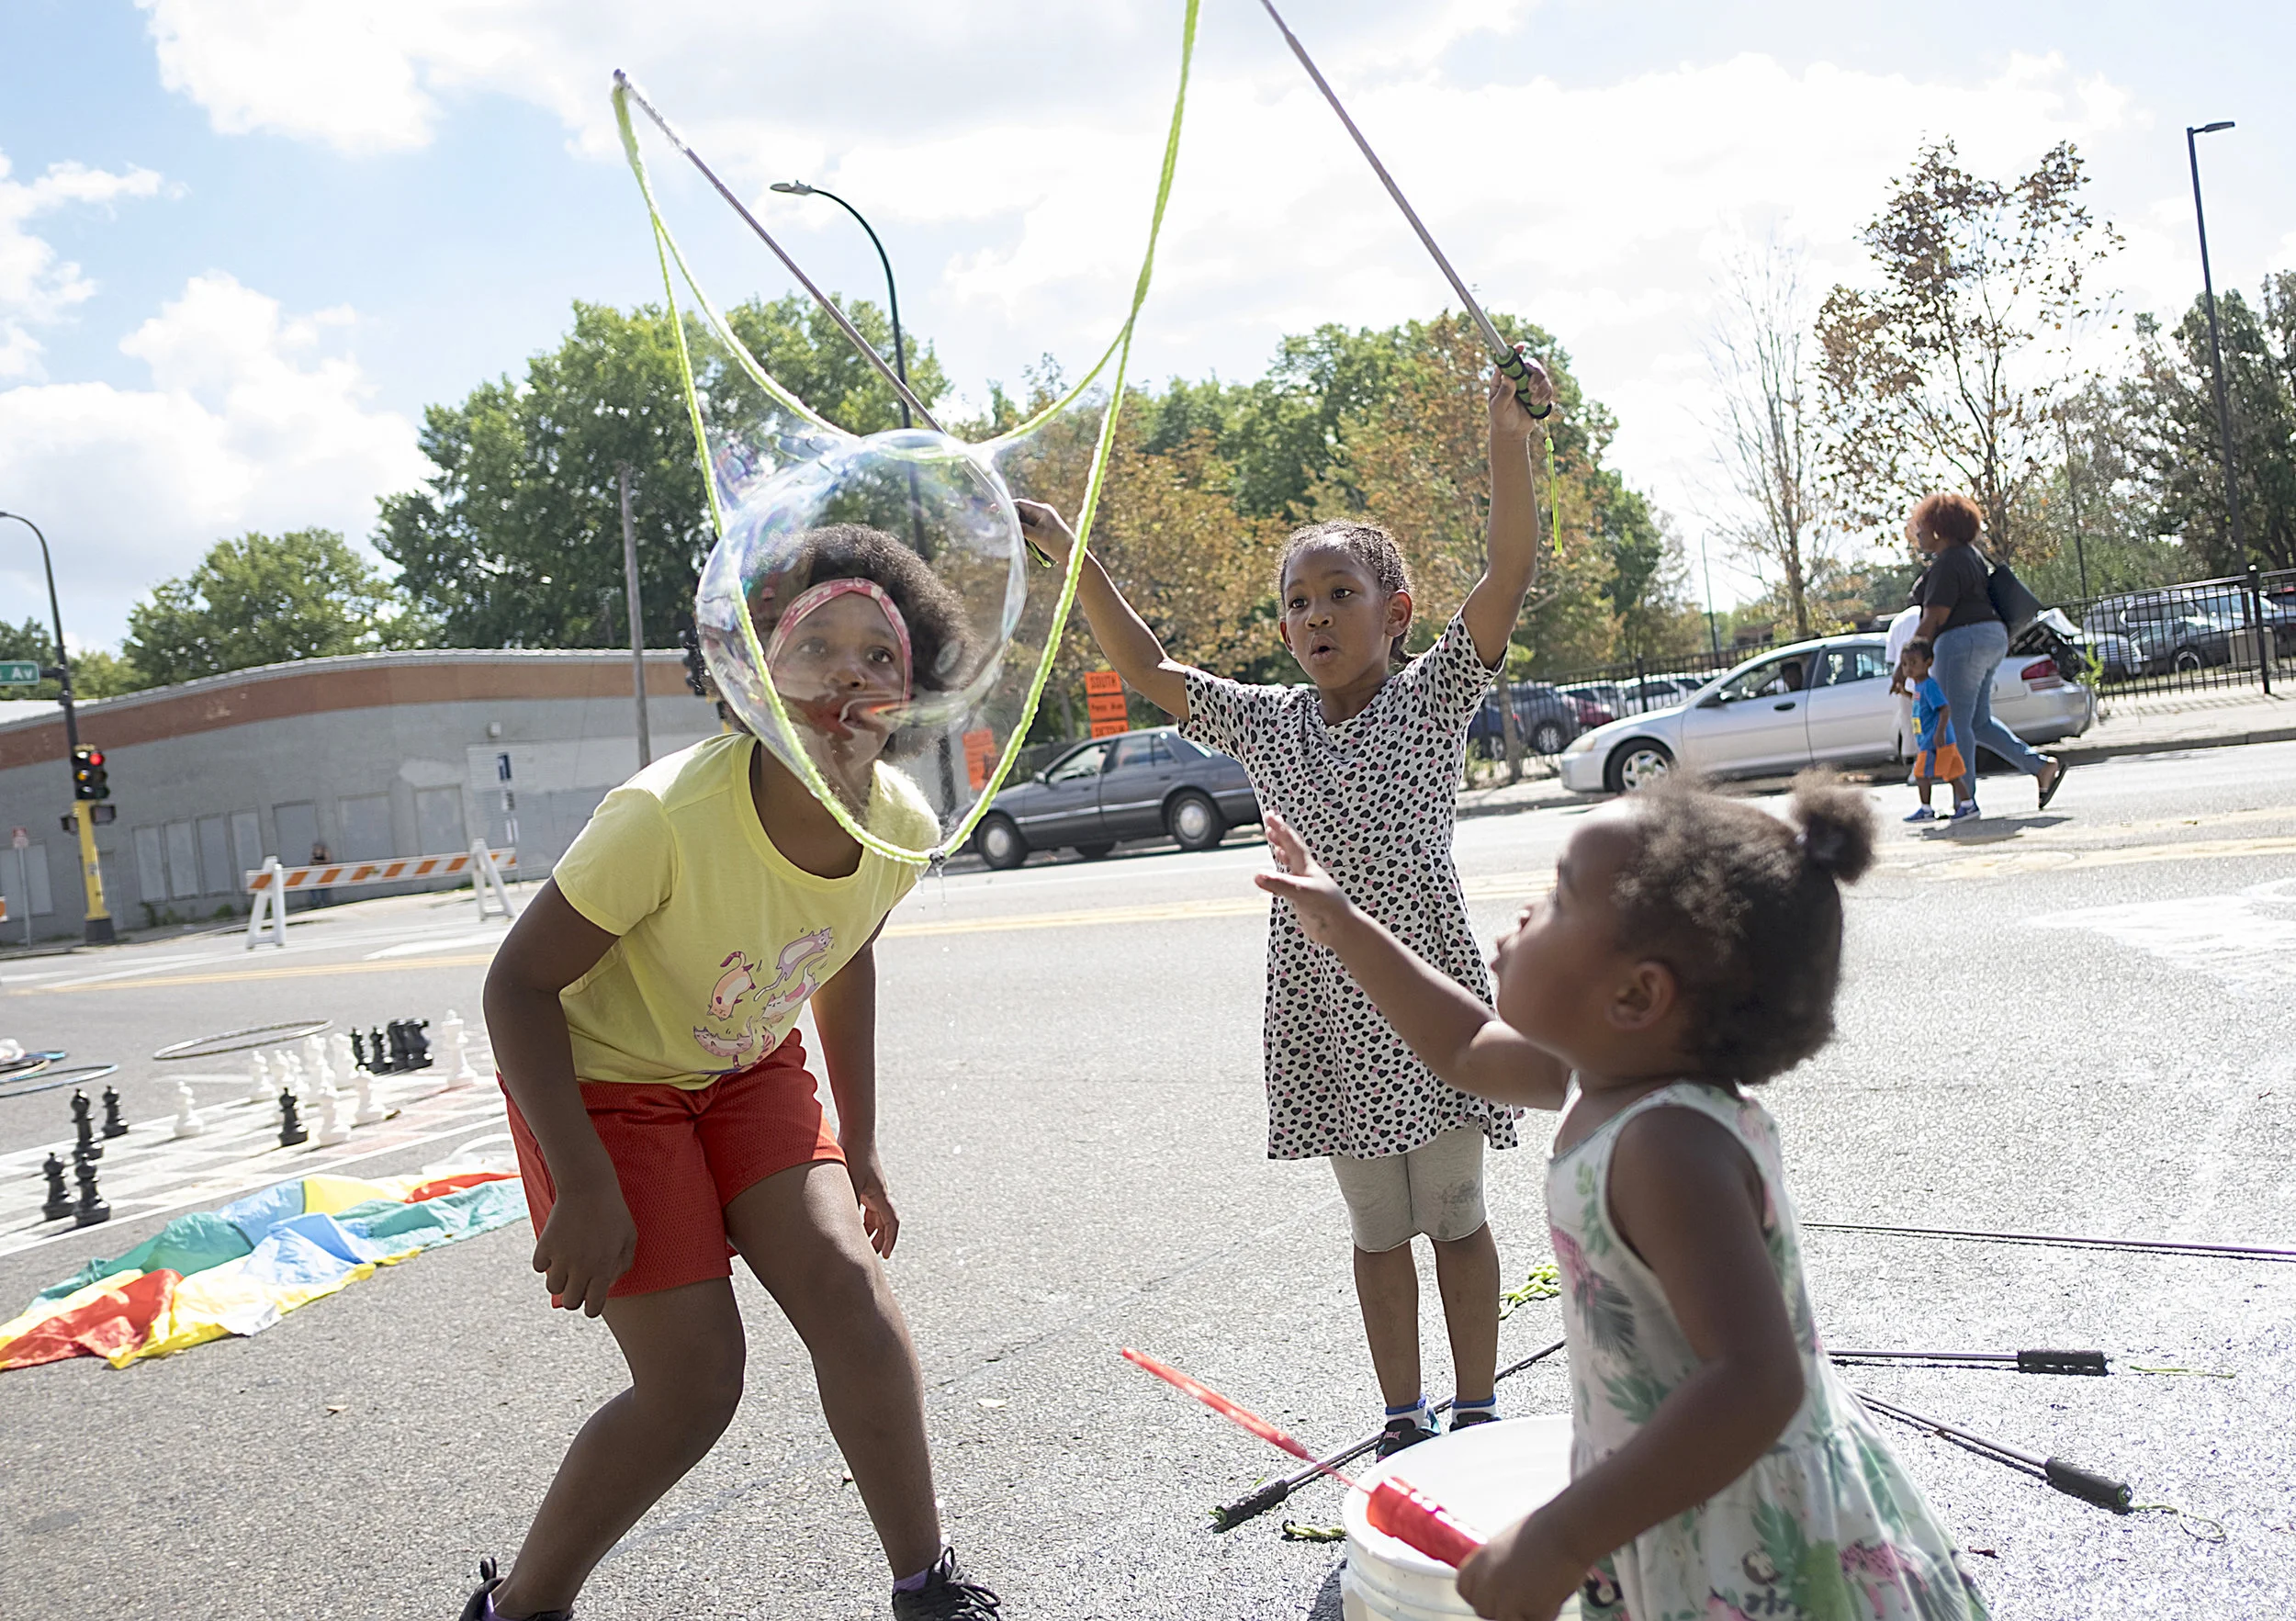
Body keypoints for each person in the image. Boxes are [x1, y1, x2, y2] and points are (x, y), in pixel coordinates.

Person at [1256, 778, 1990, 1621]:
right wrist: (1342, 923)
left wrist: (1562, 1536)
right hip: (1682, 1491)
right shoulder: (1605, 1080)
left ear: (1636, 996)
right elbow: (1461, 1044)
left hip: (1747, 1531)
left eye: (1559, 896)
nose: (1527, 911)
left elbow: (1756, 1378)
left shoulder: (1665, 1146)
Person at [1018, 351, 1557, 1456]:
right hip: (1326, 1010)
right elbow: (1153, 665)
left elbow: (1507, 566)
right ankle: (1404, 1417)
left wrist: (1509, 436)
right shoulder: (1265, 723)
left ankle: (1478, 1404)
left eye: (1339, 594)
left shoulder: (1436, 691)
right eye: (1297, 603)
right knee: (1375, 1227)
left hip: (1432, 1000)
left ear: (1396, 609)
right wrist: (1077, 563)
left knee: (1454, 1214)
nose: (1314, 616)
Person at [467, 525, 1005, 1621]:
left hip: (748, 1071)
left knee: (852, 1294)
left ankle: (926, 1588)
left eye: (879, 653)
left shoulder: (900, 819)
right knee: (695, 1386)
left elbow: (844, 951)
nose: (849, 671)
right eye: (817, 648)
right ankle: (521, 1605)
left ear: (915, 688)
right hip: (605, 1085)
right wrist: (582, 1179)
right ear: (756, 670)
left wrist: (858, 1146)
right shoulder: (664, 817)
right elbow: (514, 988)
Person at [1908, 492, 2065, 818]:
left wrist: (1905, 664)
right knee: (1978, 722)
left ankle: (1965, 803)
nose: (1917, 532)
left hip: (1961, 641)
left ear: (1939, 528)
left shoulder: (1948, 562)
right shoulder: (1971, 556)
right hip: (1992, 637)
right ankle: (2040, 767)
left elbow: (1933, 618)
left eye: (1921, 525)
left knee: (1956, 723)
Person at [1901, 638, 1966, 823]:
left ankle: (1926, 809)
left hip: (1934, 742)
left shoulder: (1929, 685)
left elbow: (1944, 708)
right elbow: (1920, 702)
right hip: (1934, 740)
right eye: (1905, 664)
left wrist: (1939, 732)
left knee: (1921, 774)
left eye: (1914, 663)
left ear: (1928, 662)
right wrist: (1905, 694)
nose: (1908, 668)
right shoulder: (1920, 686)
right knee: (1953, 774)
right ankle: (1968, 805)